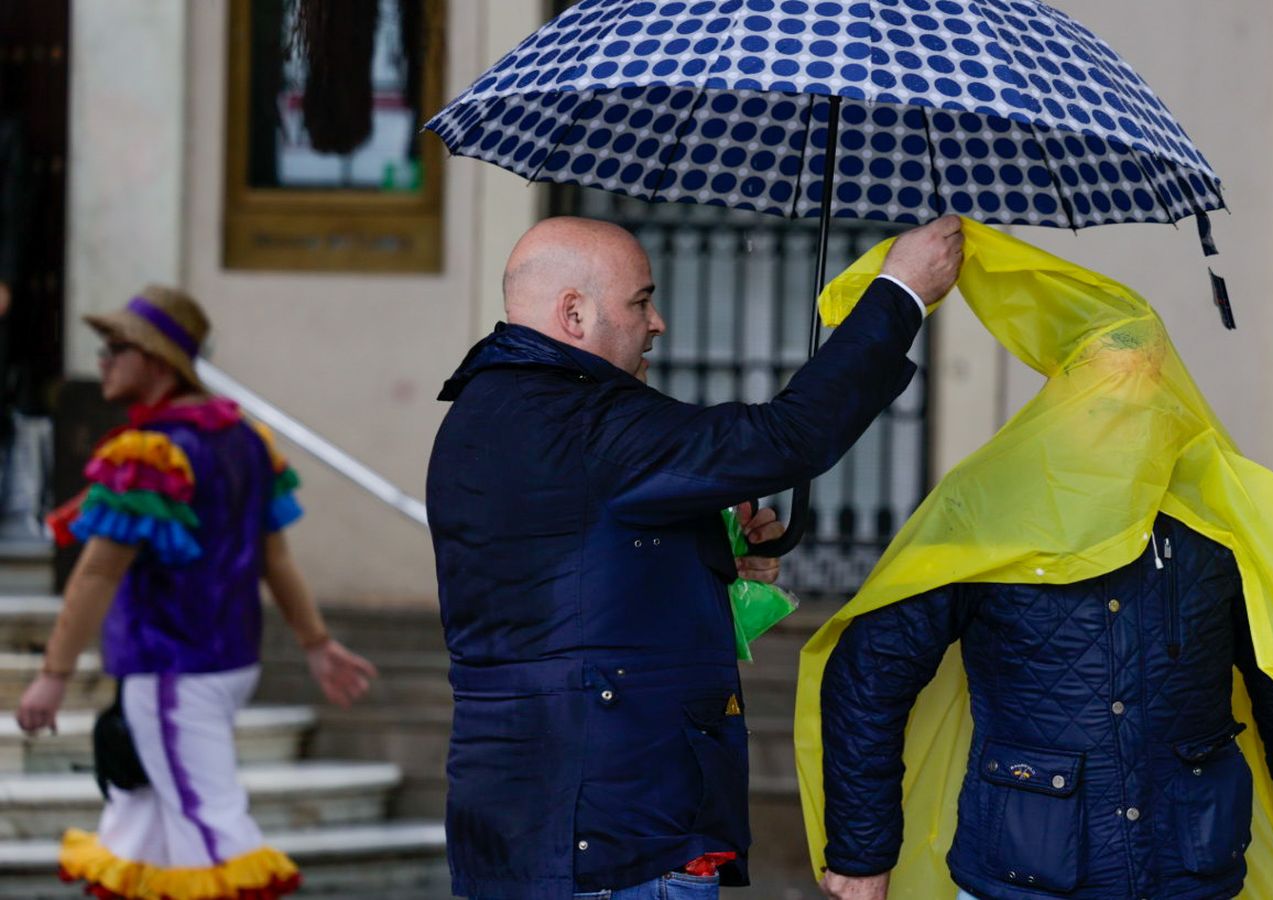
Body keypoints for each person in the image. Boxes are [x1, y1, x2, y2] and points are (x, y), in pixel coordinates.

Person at [796, 220, 1273, 900]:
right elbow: (870, 676)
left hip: (1188, 872)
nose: (1125, 412)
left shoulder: (1218, 527)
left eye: (1145, 387)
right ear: (1065, 400)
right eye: (1104, 390)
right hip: (1025, 873)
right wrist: (861, 857)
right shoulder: (986, 517)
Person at [426, 214, 963, 899]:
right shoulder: (585, 419)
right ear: (574, 314)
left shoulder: (484, 412)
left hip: (526, 822)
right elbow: (787, 437)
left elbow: (561, 587)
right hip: (618, 834)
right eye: (641, 301)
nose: (658, 323)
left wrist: (702, 558)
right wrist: (900, 293)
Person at [16, 286, 377, 900]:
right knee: (139, 830)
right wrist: (315, 643)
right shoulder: (244, 440)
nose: (102, 361)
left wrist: (53, 675)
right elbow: (276, 558)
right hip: (222, 663)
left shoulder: (152, 453)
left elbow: (97, 574)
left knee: (213, 835)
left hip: (173, 668)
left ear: (157, 359)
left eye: (115, 349)